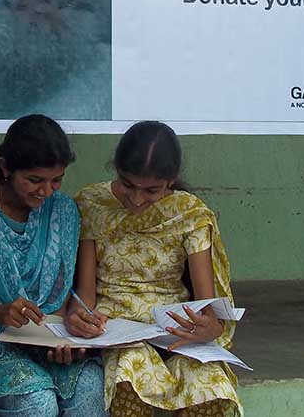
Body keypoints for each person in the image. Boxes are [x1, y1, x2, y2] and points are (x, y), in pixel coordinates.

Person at [66, 121, 242, 416]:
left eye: (151, 190)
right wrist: (79, 317)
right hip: (117, 330)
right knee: (129, 374)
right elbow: (85, 295)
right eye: (128, 185)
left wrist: (211, 328)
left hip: (175, 331)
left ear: (170, 181)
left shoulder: (189, 214)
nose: (137, 200)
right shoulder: (93, 205)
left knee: (209, 385)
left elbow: (207, 308)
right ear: (116, 170)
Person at [0, 115, 107, 417]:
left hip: (44, 340)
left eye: (56, 180)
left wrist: (68, 331)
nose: (46, 191)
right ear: (5, 168)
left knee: (90, 385)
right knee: (37, 402)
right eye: (34, 180)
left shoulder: (63, 211)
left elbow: (59, 302)